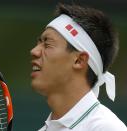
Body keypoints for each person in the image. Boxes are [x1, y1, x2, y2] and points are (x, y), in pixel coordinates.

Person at [30, 3, 127, 131]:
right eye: (39, 43)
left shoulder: (106, 127)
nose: (34, 51)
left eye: (47, 44)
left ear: (79, 60)